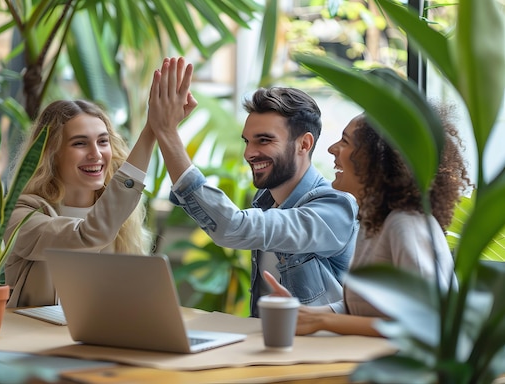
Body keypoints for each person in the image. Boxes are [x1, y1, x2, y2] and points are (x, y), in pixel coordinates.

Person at [148, 68, 359, 317]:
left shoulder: (334, 208)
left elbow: (232, 227)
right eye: (247, 141)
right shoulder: (265, 202)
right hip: (272, 345)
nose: (249, 153)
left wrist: (167, 133)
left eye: (264, 140)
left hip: (323, 350)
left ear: (304, 144)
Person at [4, 57, 196, 307]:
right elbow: (87, 235)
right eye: (80, 143)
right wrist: (152, 129)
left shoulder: (120, 218)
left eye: (103, 141)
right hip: (34, 340)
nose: (96, 154)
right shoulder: (22, 215)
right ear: (52, 154)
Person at [264, 109, 471, 336]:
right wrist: (309, 314)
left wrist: (323, 321)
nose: (332, 149)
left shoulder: (406, 223)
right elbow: (372, 309)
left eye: (345, 141)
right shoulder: (375, 221)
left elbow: (431, 322)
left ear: (378, 159)